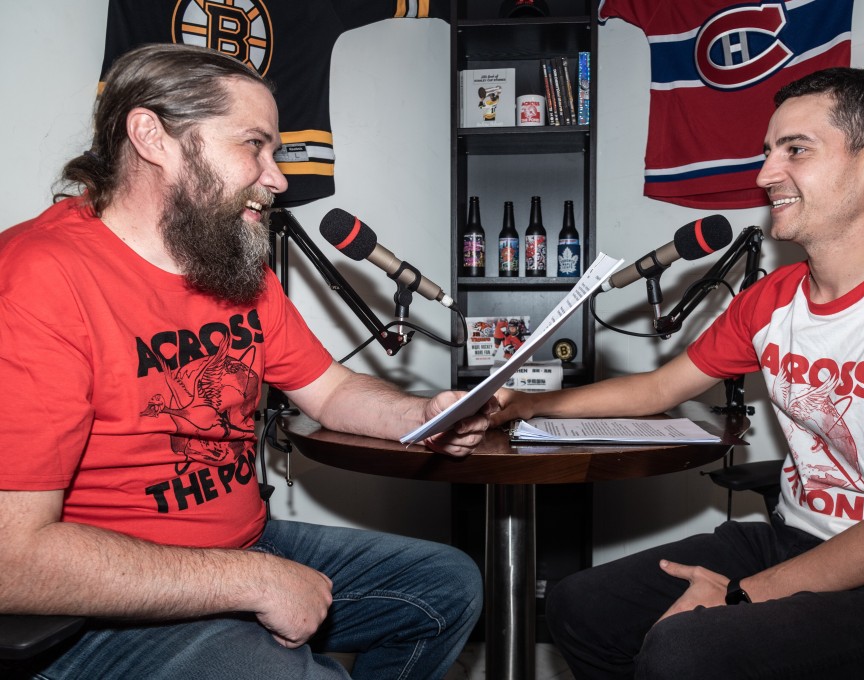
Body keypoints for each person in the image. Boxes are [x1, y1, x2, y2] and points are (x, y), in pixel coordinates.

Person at [494, 67, 864, 678]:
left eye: (796, 150)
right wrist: (528, 405)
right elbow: (659, 388)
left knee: (687, 650)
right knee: (579, 605)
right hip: (800, 538)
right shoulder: (774, 296)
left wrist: (740, 595)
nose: (766, 174)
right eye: (768, 152)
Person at [0, 44, 496, 680]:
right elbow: (12, 559)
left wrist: (423, 413)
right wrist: (252, 580)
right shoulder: (40, 278)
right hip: (101, 611)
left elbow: (333, 391)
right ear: (152, 136)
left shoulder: (228, 261)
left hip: (239, 546)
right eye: (254, 146)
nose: (278, 177)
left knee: (446, 584)